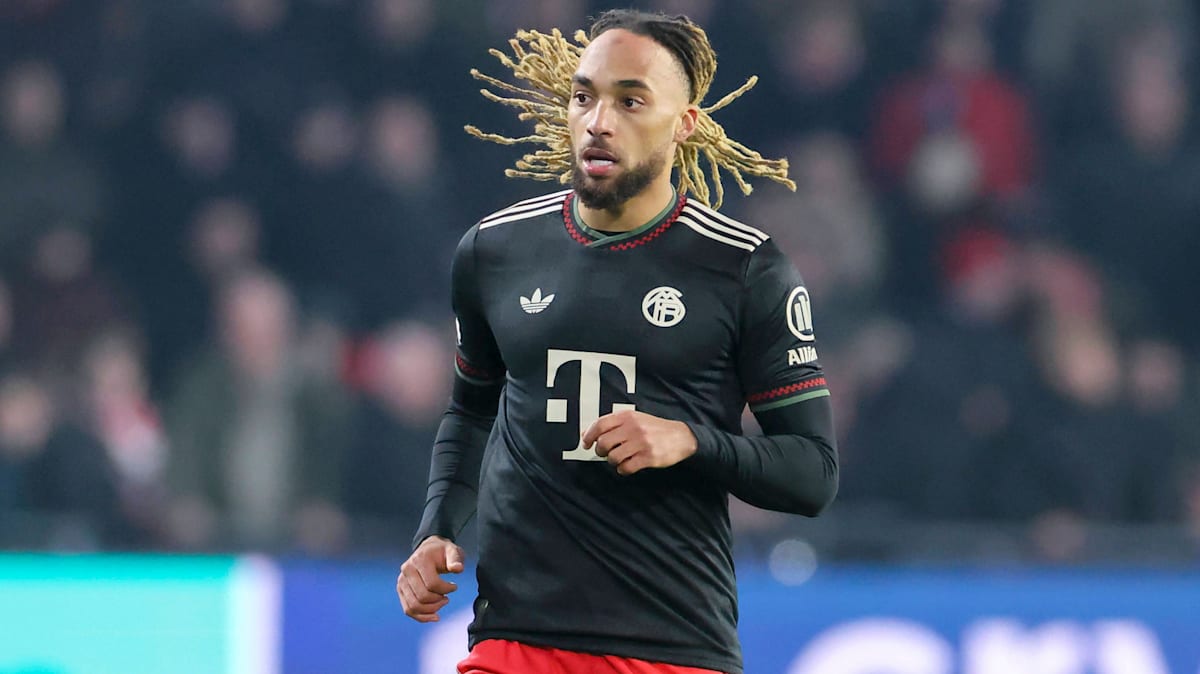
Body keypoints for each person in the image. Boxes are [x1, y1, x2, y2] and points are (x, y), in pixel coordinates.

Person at [396, 10, 838, 674]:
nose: (598, 121)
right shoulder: (494, 250)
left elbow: (812, 473)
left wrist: (690, 442)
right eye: (585, 97)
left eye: (630, 101)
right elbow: (470, 412)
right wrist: (435, 530)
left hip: (669, 644)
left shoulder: (746, 269)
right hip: (513, 638)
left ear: (684, 124)